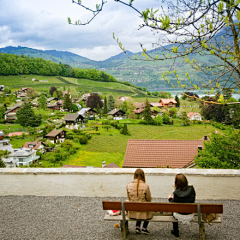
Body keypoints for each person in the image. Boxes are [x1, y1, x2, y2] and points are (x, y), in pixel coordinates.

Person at [168, 173, 196, 237]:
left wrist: (170, 199)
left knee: (173, 209)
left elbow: (173, 204)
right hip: (190, 214)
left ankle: (176, 231)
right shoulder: (191, 189)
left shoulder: (176, 193)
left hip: (179, 215)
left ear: (176, 183)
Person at [126, 168, 153, 235]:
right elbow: (149, 199)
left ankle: (137, 227)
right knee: (147, 208)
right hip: (144, 213)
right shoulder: (145, 186)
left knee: (138, 206)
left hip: (132, 212)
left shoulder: (128, 185)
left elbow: (129, 199)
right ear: (143, 176)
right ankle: (144, 228)